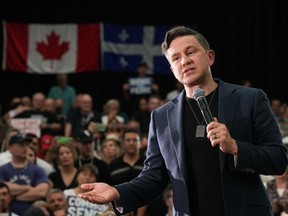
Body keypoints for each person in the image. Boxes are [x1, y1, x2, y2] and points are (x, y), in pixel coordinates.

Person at [77, 25, 288, 215]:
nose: (184, 61)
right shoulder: (161, 116)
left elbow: (278, 159)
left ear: (210, 56)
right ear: (172, 70)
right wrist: (116, 191)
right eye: (176, 58)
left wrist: (235, 147)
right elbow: (154, 177)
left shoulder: (250, 99)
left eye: (191, 52)